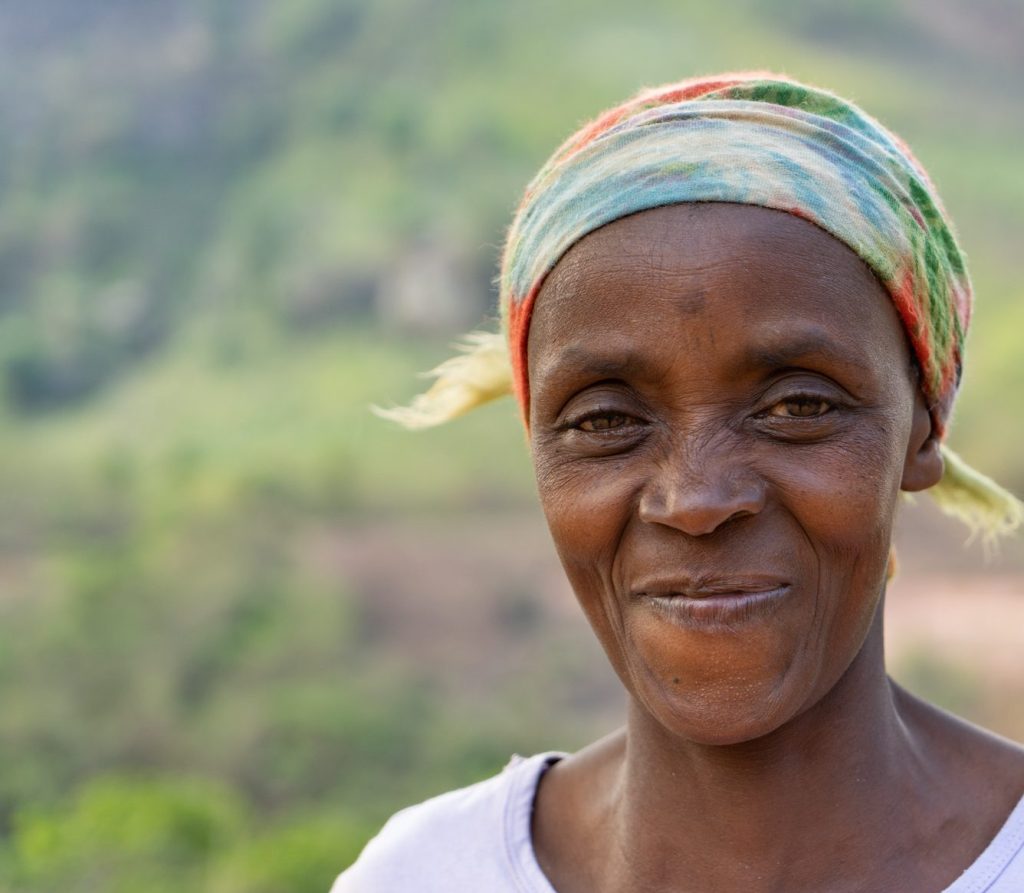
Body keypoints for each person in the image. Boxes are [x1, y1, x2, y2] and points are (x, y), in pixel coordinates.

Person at [335, 72, 1024, 892]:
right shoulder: (429, 875)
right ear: (535, 447)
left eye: (799, 403)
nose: (696, 500)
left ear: (922, 423)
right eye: (604, 421)